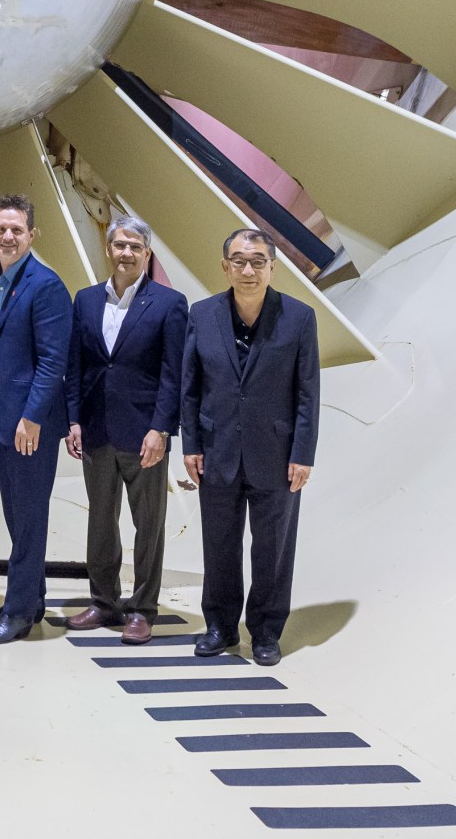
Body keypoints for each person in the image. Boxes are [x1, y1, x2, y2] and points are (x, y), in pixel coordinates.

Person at [181, 228, 319, 664]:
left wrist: (303, 453)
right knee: (219, 544)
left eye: (258, 261)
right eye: (239, 260)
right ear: (225, 266)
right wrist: (191, 444)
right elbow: (190, 388)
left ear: (272, 267)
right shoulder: (202, 315)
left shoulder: (299, 318)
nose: (248, 269)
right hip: (216, 450)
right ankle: (220, 626)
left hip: (276, 457)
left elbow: (308, 393)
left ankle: (265, 632)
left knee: (273, 548)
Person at [63, 215, 189, 646]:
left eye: (135, 246)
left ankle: (142, 608)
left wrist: (162, 429)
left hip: (144, 434)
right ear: (109, 249)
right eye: (120, 245)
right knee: (100, 521)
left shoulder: (170, 304)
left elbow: (174, 374)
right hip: (96, 429)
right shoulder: (85, 301)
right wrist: (73, 419)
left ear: (147, 253)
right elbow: (76, 367)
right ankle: (104, 601)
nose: (126, 253)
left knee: (148, 524)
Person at [0, 195, 73, 646]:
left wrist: (32, 418)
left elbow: (53, 362)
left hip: (29, 424)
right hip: (1, 416)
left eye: (16, 229)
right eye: (0, 229)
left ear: (32, 234)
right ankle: (30, 598)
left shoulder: (45, 285)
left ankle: (17, 614)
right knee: (16, 514)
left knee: (29, 517)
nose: (8, 236)